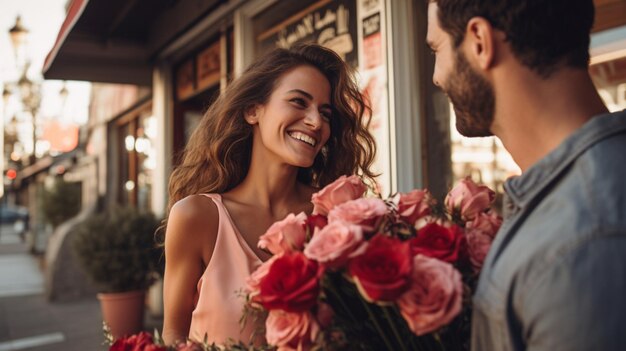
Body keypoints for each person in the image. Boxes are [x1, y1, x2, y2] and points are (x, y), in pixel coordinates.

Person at [427, 0, 626, 350]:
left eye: (436, 49)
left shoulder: (579, 247)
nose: (436, 75)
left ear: (479, 41)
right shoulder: (578, 205)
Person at [161, 43, 377, 346]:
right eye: (299, 102)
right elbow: (173, 335)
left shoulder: (335, 214)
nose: (316, 122)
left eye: (325, 113)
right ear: (253, 110)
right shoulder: (197, 217)